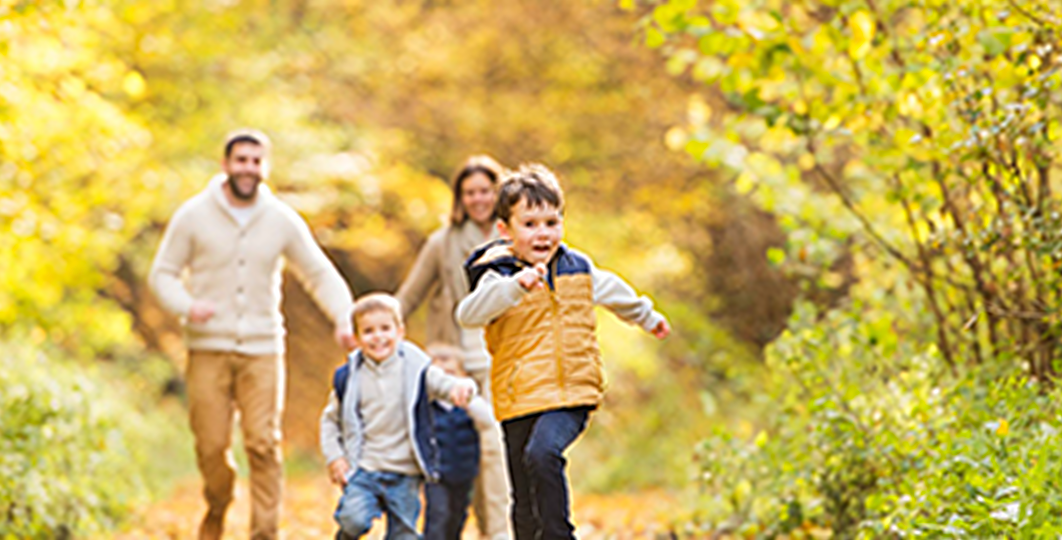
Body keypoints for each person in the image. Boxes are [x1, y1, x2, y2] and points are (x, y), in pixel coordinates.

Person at [149, 129, 357, 540]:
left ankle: (265, 533)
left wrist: (345, 317)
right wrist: (188, 306)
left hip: (263, 348)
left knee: (263, 443)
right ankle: (218, 504)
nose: (248, 168)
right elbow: (163, 274)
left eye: (256, 161)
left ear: (266, 166)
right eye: (241, 160)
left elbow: (317, 273)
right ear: (226, 164)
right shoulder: (194, 215)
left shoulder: (280, 219)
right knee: (211, 446)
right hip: (207, 348)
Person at [456, 164, 671, 540]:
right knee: (523, 498)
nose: (543, 233)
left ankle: (560, 535)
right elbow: (468, 314)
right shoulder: (498, 274)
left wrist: (647, 316)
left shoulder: (578, 269)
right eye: (530, 224)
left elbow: (615, 291)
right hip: (518, 395)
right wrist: (514, 288)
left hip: (571, 391)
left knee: (543, 454)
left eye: (552, 222)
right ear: (506, 230)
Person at [396, 155, 510, 539]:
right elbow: (408, 297)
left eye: (485, 190)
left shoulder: (515, 238)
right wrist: (373, 329)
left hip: (502, 359)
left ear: (498, 192)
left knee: (495, 452)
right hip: (453, 363)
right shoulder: (443, 243)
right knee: (457, 459)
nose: (478, 199)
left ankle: (498, 533)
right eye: (469, 192)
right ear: (460, 198)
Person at [319, 294, 481, 539]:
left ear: (400, 331)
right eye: (368, 331)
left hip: (404, 472)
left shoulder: (416, 368)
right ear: (356, 338)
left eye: (386, 328)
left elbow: (442, 382)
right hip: (365, 468)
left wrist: (460, 387)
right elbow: (330, 420)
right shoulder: (349, 377)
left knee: (404, 534)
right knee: (353, 519)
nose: (378, 337)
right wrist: (335, 457)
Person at [423, 343, 495, 540]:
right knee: (438, 515)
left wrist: (467, 398)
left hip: (464, 472)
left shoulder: (471, 407)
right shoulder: (427, 407)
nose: (447, 381)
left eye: (451, 373)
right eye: (440, 375)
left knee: (457, 516)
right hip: (436, 474)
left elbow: (488, 420)